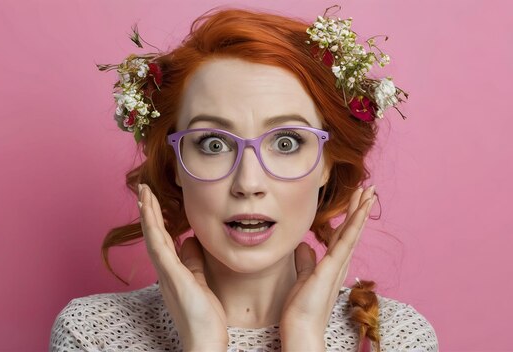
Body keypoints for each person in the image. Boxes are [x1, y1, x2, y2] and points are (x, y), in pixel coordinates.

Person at [50, 5, 438, 352]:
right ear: (175, 164)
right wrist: (203, 343)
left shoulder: (398, 338)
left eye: (286, 142)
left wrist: (304, 338)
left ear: (327, 164)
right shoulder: (93, 334)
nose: (248, 182)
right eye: (214, 144)